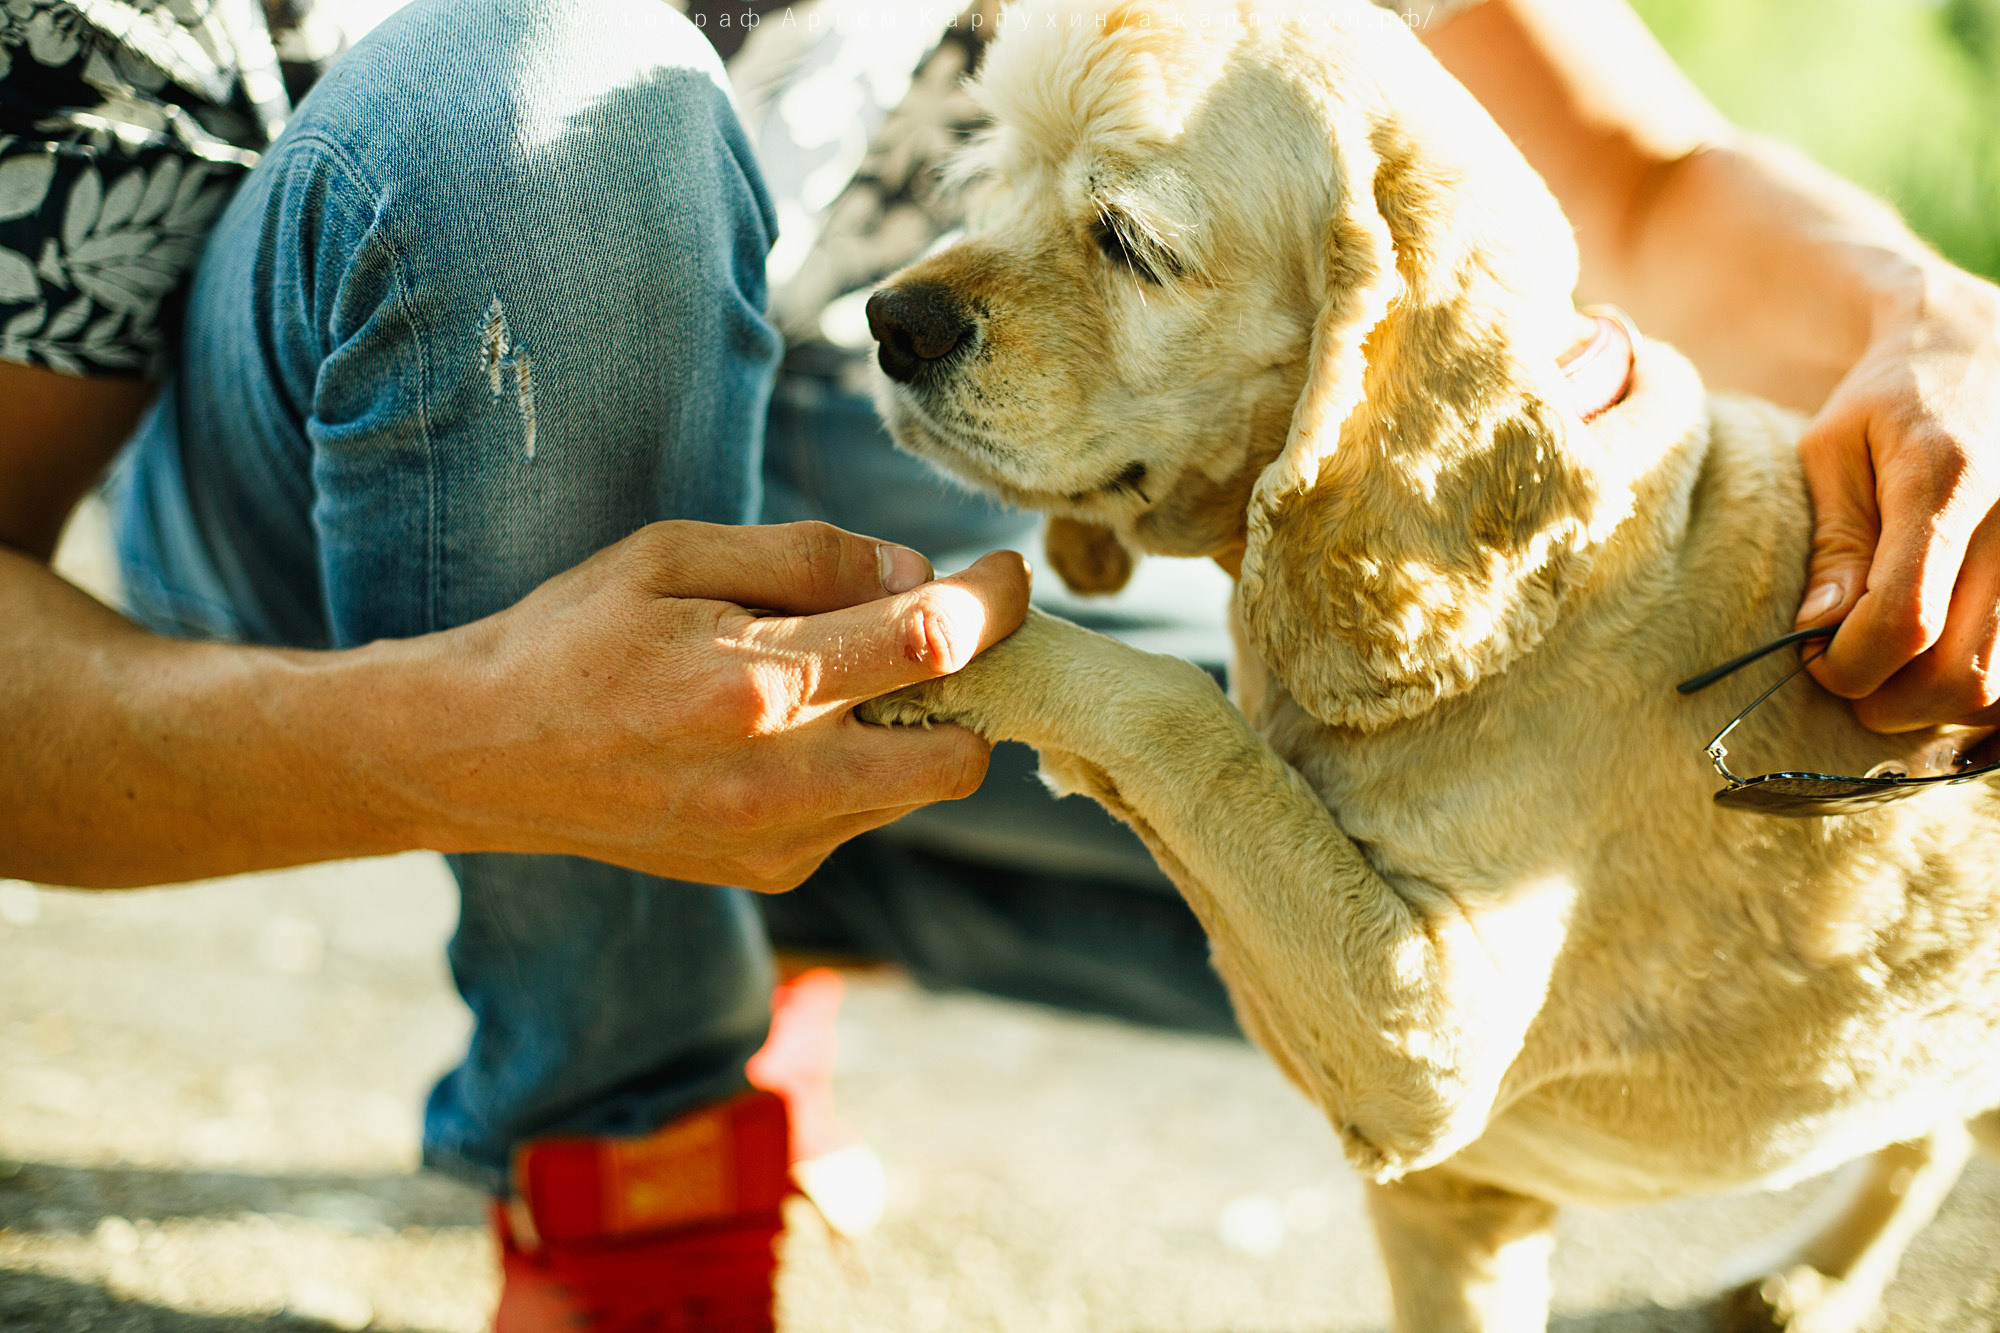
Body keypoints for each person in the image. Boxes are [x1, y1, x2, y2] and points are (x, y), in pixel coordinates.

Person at [1, 0, 1997, 1328]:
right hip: (370, 551)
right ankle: (630, 1101)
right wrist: (448, 741)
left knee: (1460, 820)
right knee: (540, 94)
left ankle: (774, 890)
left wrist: (1928, 318)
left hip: (981, 541)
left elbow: (1633, 185)